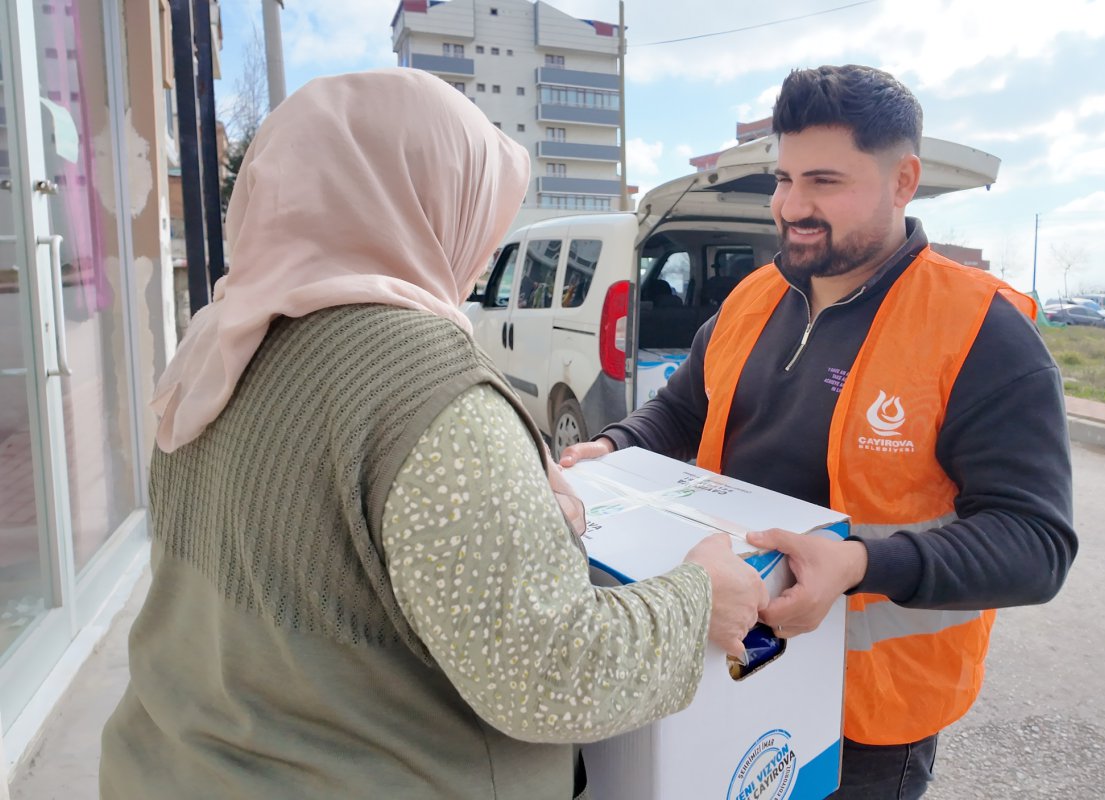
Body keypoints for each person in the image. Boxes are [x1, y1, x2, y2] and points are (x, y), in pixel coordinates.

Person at [99, 69, 767, 800]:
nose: (481, 252)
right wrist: (700, 598)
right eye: (480, 212)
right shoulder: (423, 387)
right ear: (423, 200)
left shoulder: (219, 338)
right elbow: (550, 675)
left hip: (167, 762)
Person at [562, 64, 1077, 799]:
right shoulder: (752, 296)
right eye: (783, 179)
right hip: (729, 663)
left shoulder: (980, 331)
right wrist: (611, 446)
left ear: (904, 181)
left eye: (825, 182)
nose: (791, 206)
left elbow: (1037, 542)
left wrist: (862, 564)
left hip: (868, 714)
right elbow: (680, 410)